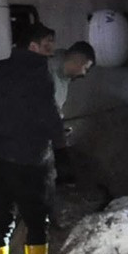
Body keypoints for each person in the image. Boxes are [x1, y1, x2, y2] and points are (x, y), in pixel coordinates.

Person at [0, 22, 66, 254]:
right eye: (47, 46)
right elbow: (49, 114)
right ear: (32, 46)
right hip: (30, 160)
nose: (51, 52)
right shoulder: (39, 72)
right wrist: (61, 146)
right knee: (36, 221)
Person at [48, 41, 96, 186]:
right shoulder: (47, 70)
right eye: (85, 68)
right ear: (78, 60)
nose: (84, 74)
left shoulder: (65, 77)